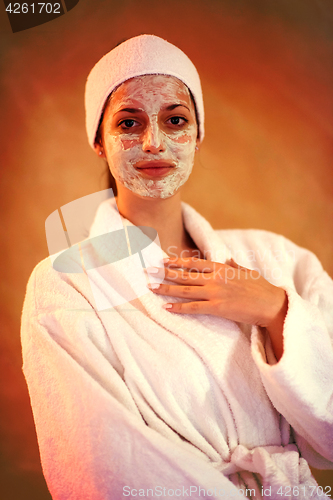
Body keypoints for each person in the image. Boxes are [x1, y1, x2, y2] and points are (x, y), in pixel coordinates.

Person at [21, 35, 333, 500]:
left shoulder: (277, 259)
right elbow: (101, 466)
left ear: (198, 134)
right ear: (99, 142)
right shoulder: (64, 286)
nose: (154, 141)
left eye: (176, 120)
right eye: (129, 122)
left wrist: (276, 309)